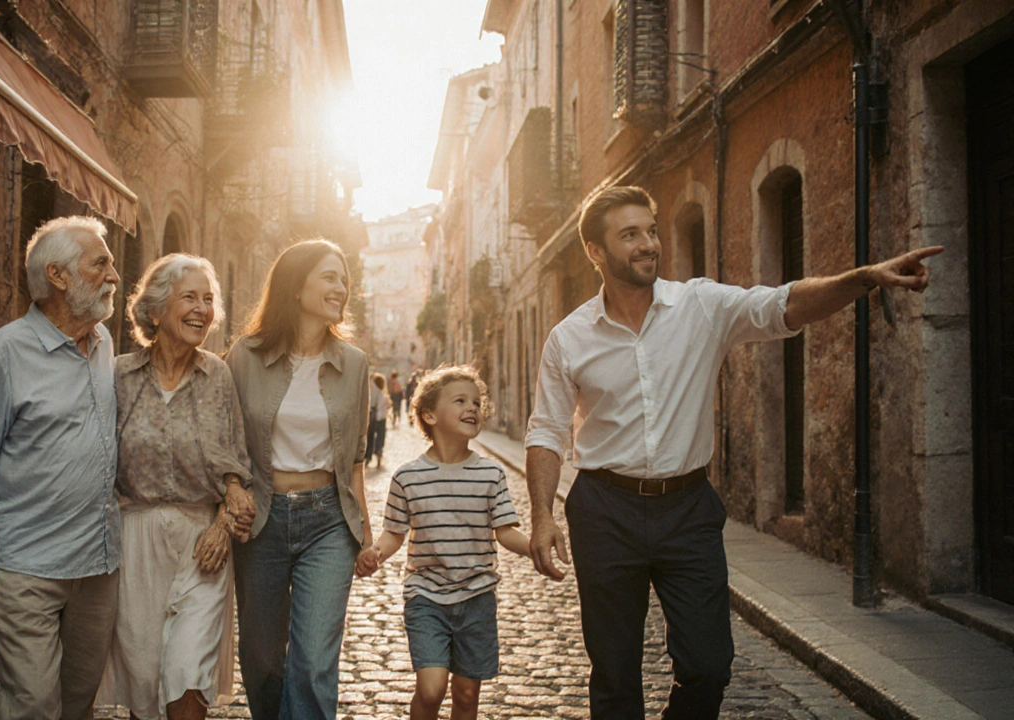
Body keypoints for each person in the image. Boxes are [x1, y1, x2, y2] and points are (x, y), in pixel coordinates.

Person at [524, 185, 942, 720]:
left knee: (708, 666)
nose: (648, 243)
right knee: (614, 673)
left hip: (688, 507)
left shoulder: (700, 304)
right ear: (596, 253)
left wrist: (861, 279)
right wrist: (542, 515)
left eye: (650, 231)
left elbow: (782, 304)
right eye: (630, 235)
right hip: (604, 510)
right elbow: (546, 430)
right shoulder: (569, 338)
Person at [0, 216, 122, 720]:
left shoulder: (104, 343)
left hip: (98, 564)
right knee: (32, 706)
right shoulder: (5, 351)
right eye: (101, 264)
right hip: (26, 568)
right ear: (58, 276)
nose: (114, 275)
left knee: (76, 704)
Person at [97, 254, 255, 720]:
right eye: (190, 297)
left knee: (188, 673)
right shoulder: (119, 376)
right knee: (144, 678)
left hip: (201, 542)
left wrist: (223, 525)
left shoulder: (217, 376)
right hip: (136, 540)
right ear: (155, 310)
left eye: (209, 300)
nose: (203, 309)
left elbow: (236, 467)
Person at [224, 239, 375, 720]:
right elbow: (227, 443)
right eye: (330, 276)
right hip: (262, 519)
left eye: (344, 279)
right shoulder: (244, 357)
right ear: (296, 286)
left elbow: (354, 458)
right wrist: (231, 495)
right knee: (264, 660)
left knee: (313, 662)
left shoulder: (353, 365)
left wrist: (364, 530)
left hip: (328, 520)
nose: (341, 287)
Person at [358, 365, 530, 720]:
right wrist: (375, 554)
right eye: (461, 401)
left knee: (466, 697)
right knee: (431, 689)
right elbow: (394, 533)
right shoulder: (408, 477)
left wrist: (536, 548)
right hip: (426, 598)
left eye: (477, 402)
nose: (473, 408)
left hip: (477, 599)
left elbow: (506, 530)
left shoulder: (491, 474)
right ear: (430, 414)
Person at [366, 373, 390, 467]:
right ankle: (379, 451)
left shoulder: (372, 393)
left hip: (372, 416)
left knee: (370, 436)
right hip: (382, 418)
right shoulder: (384, 395)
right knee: (380, 436)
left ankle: (368, 455)